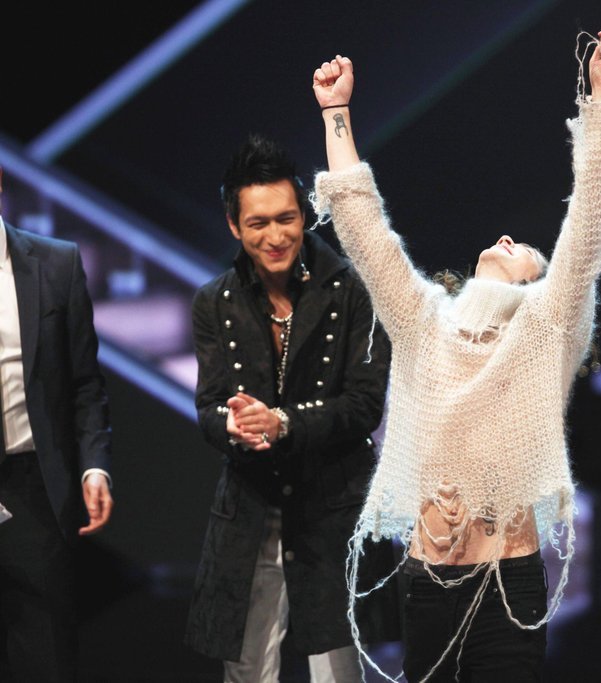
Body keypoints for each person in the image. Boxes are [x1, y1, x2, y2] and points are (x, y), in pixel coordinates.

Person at [309, 31, 601, 681]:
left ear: (538, 285)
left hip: (507, 586)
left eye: (524, 253)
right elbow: (362, 225)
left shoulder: (543, 332)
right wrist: (335, 112)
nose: (508, 239)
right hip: (427, 583)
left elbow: (589, 227)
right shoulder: (423, 322)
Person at [183, 136, 393, 682]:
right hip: (250, 506)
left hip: (332, 505)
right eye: (258, 223)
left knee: (339, 669)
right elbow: (208, 406)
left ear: (304, 215)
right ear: (234, 226)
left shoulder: (353, 291)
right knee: (246, 669)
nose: (276, 236)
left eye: (287, 219)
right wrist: (232, 425)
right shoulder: (214, 302)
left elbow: (364, 405)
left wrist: (283, 423)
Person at [0, 166, 114, 681]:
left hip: (35, 489)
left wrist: (94, 467)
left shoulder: (56, 264)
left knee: (45, 658)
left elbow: (85, 383)